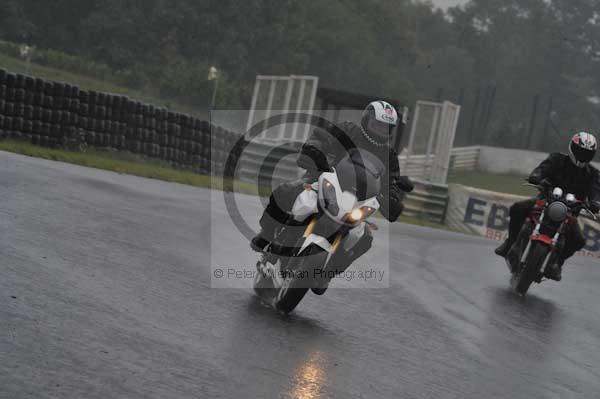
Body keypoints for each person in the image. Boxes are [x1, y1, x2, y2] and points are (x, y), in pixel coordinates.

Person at [251, 101, 413, 281]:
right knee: (287, 191)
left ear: (391, 129)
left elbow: (392, 182)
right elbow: (321, 136)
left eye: (385, 127)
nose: (380, 130)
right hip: (325, 177)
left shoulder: (389, 155)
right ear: (366, 120)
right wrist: (314, 150)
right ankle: (266, 235)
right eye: (377, 124)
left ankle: (327, 274)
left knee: (364, 238)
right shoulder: (348, 131)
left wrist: (393, 198)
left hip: (358, 200)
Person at [494, 132, 600, 280]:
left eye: (586, 153)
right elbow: (542, 168)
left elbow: (595, 191)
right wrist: (536, 176)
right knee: (518, 209)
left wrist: (595, 203)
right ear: (572, 148)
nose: (582, 155)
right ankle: (510, 243)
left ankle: (557, 263)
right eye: (580, 151)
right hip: (546, 201)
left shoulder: (593, 174)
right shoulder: (557, 159)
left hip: (570, 212)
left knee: (578, 240)